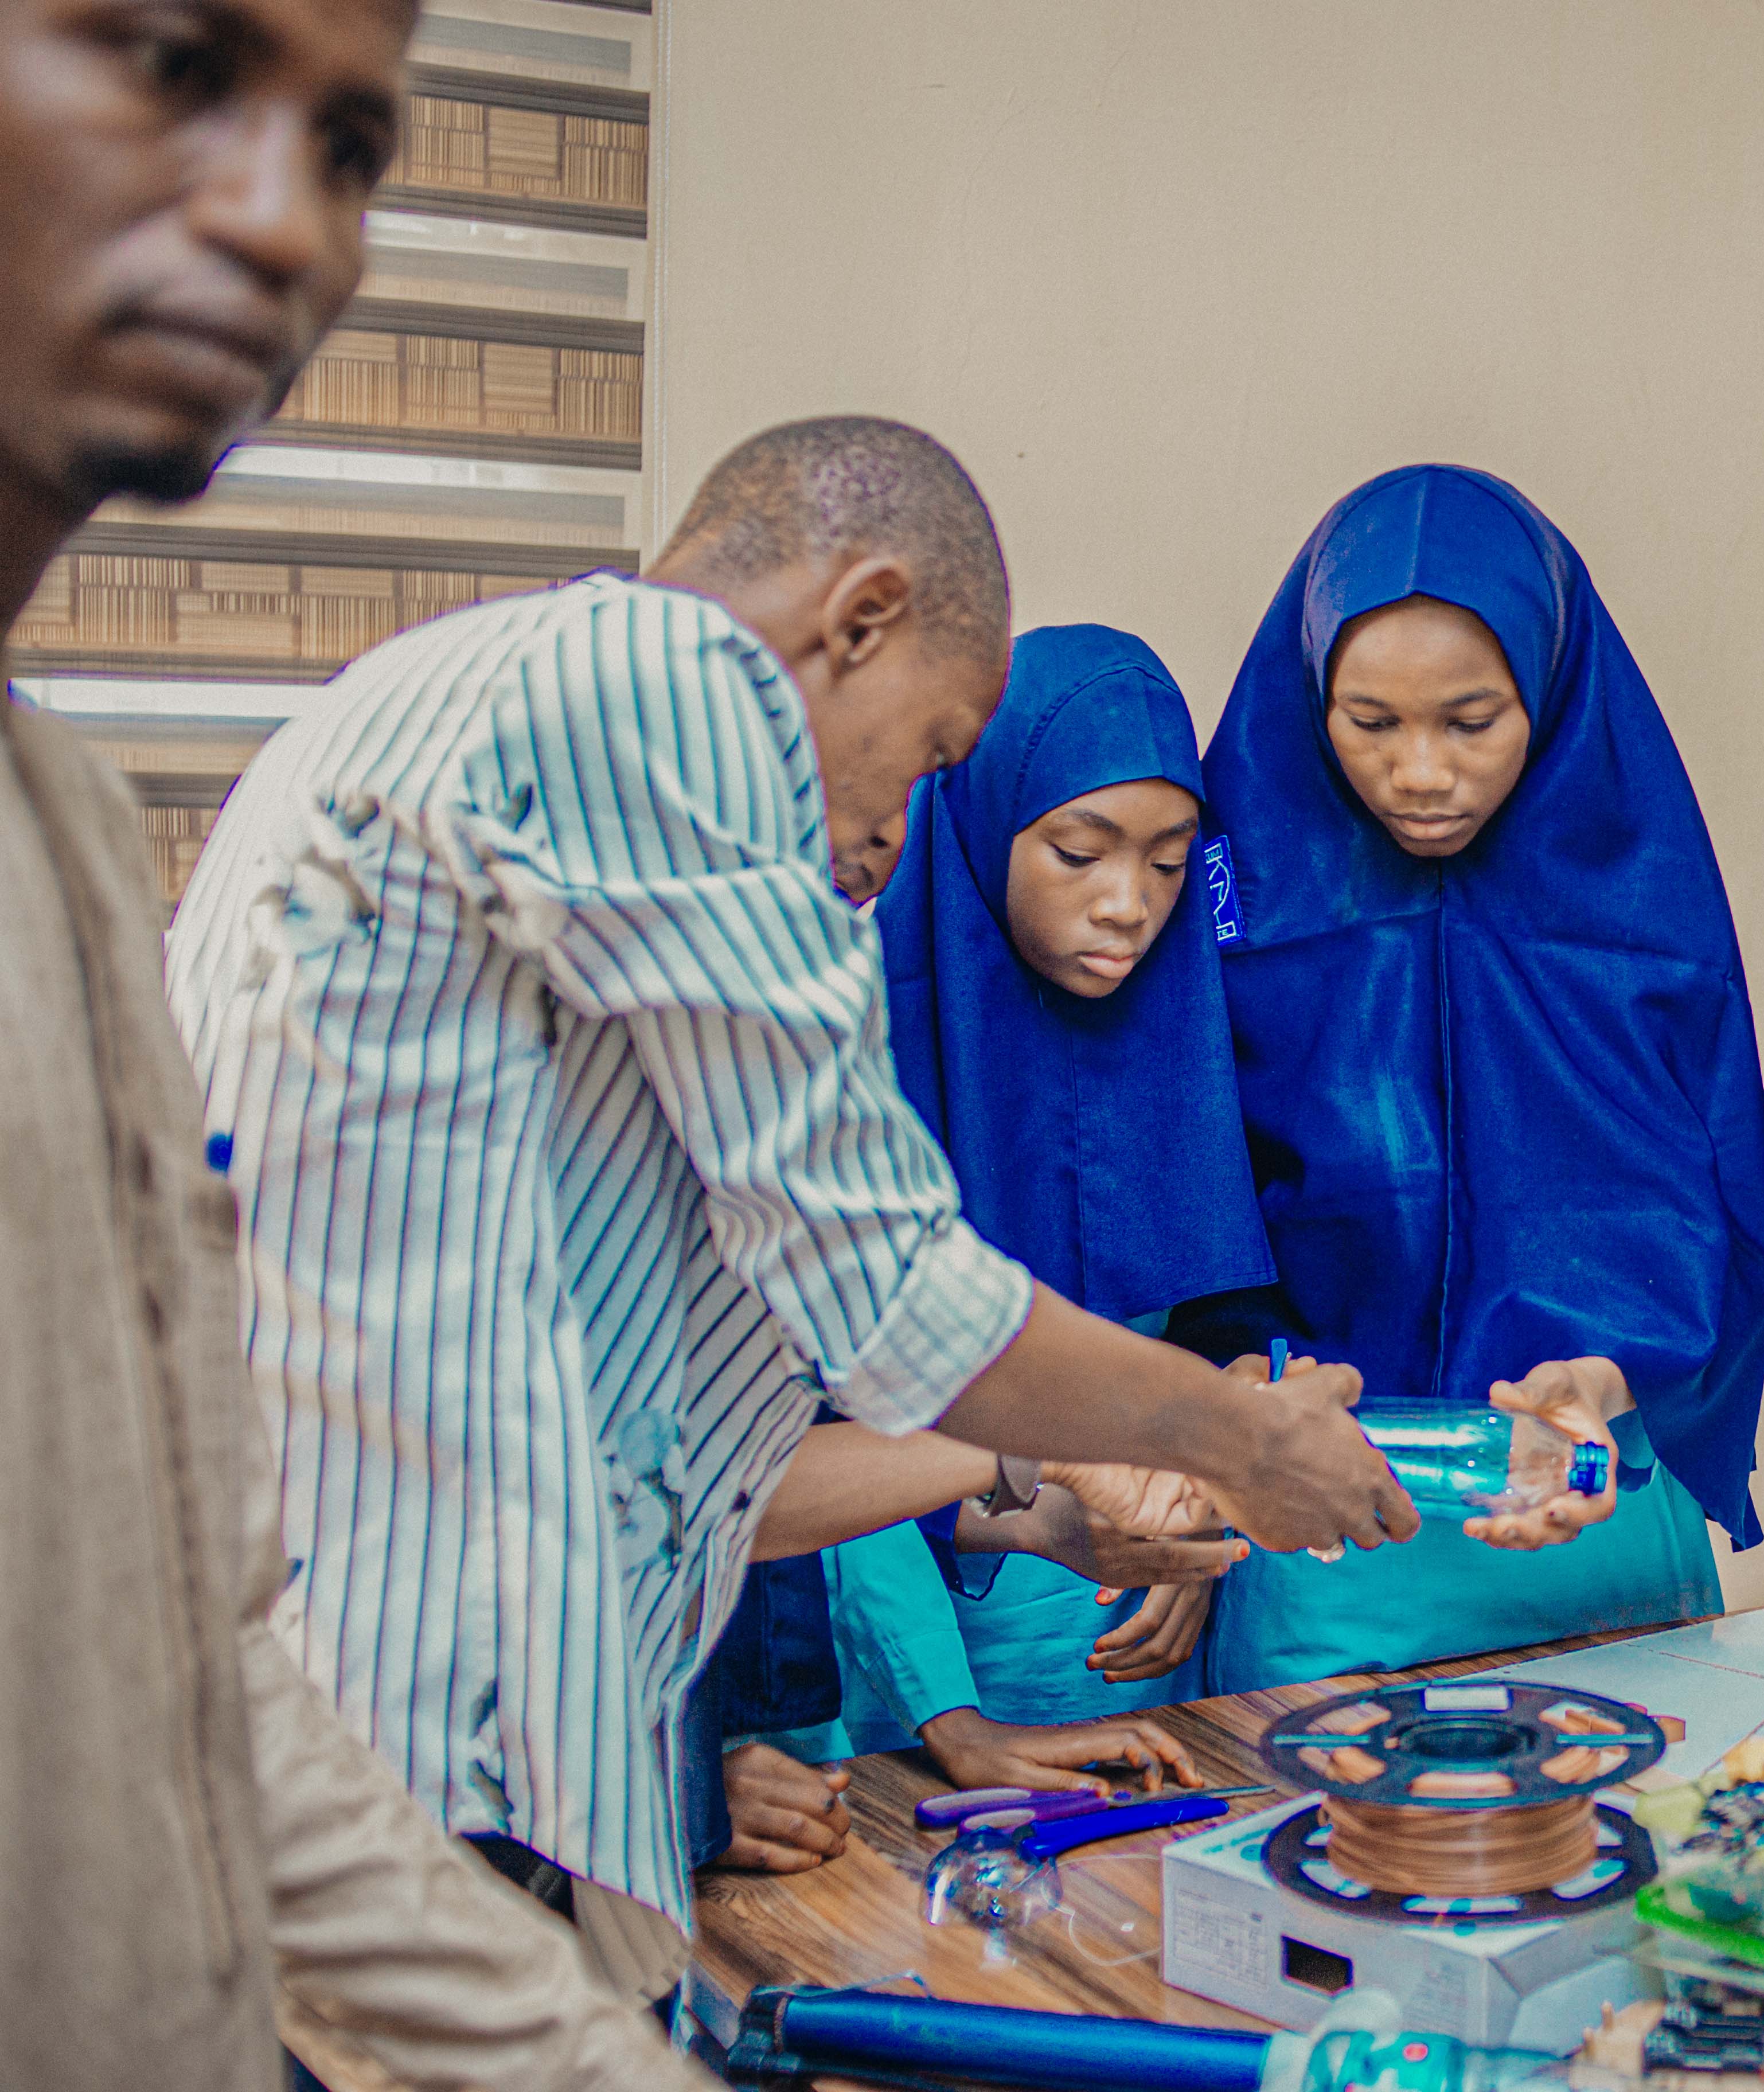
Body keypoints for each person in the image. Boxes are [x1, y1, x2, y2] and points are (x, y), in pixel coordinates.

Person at [163, 417, 1415, 2004]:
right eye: (930, 752)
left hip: (345, 1714)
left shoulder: (426, 707)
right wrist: (1237, 1439)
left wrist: (1031, 1484)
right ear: (860, 618)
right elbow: (894, 1299)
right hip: (430, 1746)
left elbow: (690, 1466)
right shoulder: (666, 700)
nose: (900, 828)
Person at [0, 0, 717, 2082]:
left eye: (351, 148)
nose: (283, 222)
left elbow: (188, 1673)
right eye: (172, 63)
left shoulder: (65, 835)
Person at [1176, 463, 1764, 1687]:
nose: (1421, 772)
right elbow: (1191, 1196)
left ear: (1549, 693)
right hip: (1327, 1527)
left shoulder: (1643, 904)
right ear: (1311, 697)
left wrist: (1602, 1373)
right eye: (1370, 723)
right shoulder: (1234, 899)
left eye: (1471, 721)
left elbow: (1710, 1194)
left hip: (1588, 1495)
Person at [819, 623, 1270, 1778]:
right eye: (1081, 852)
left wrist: (1196, 1535)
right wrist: (954, 1725)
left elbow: (1215, 1335)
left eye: (1169, 863)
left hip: (1139, 1658)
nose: (1130, 904)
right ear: (983, 827)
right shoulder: (851, 1056)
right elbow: (812, 1432)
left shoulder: (1187, 1032)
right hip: (910, 1682)